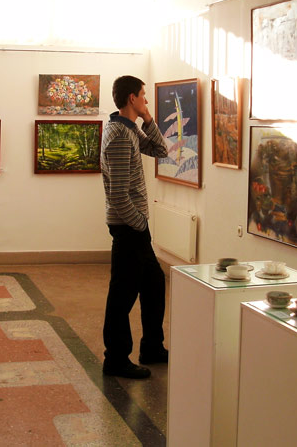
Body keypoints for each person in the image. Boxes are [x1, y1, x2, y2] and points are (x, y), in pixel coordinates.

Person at [100, 75, 169, 379]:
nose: (146, 100)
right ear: (132, 98)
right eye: (143, 96)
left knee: (154, 284)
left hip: (135, 226)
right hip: (129, 227)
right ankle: (115, 359)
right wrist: (140, 224)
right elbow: (117, 195)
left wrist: (148, 118)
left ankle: (152, 346)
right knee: (122, 295)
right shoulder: (118, 136)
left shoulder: (128, 129)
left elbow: (160, 150)